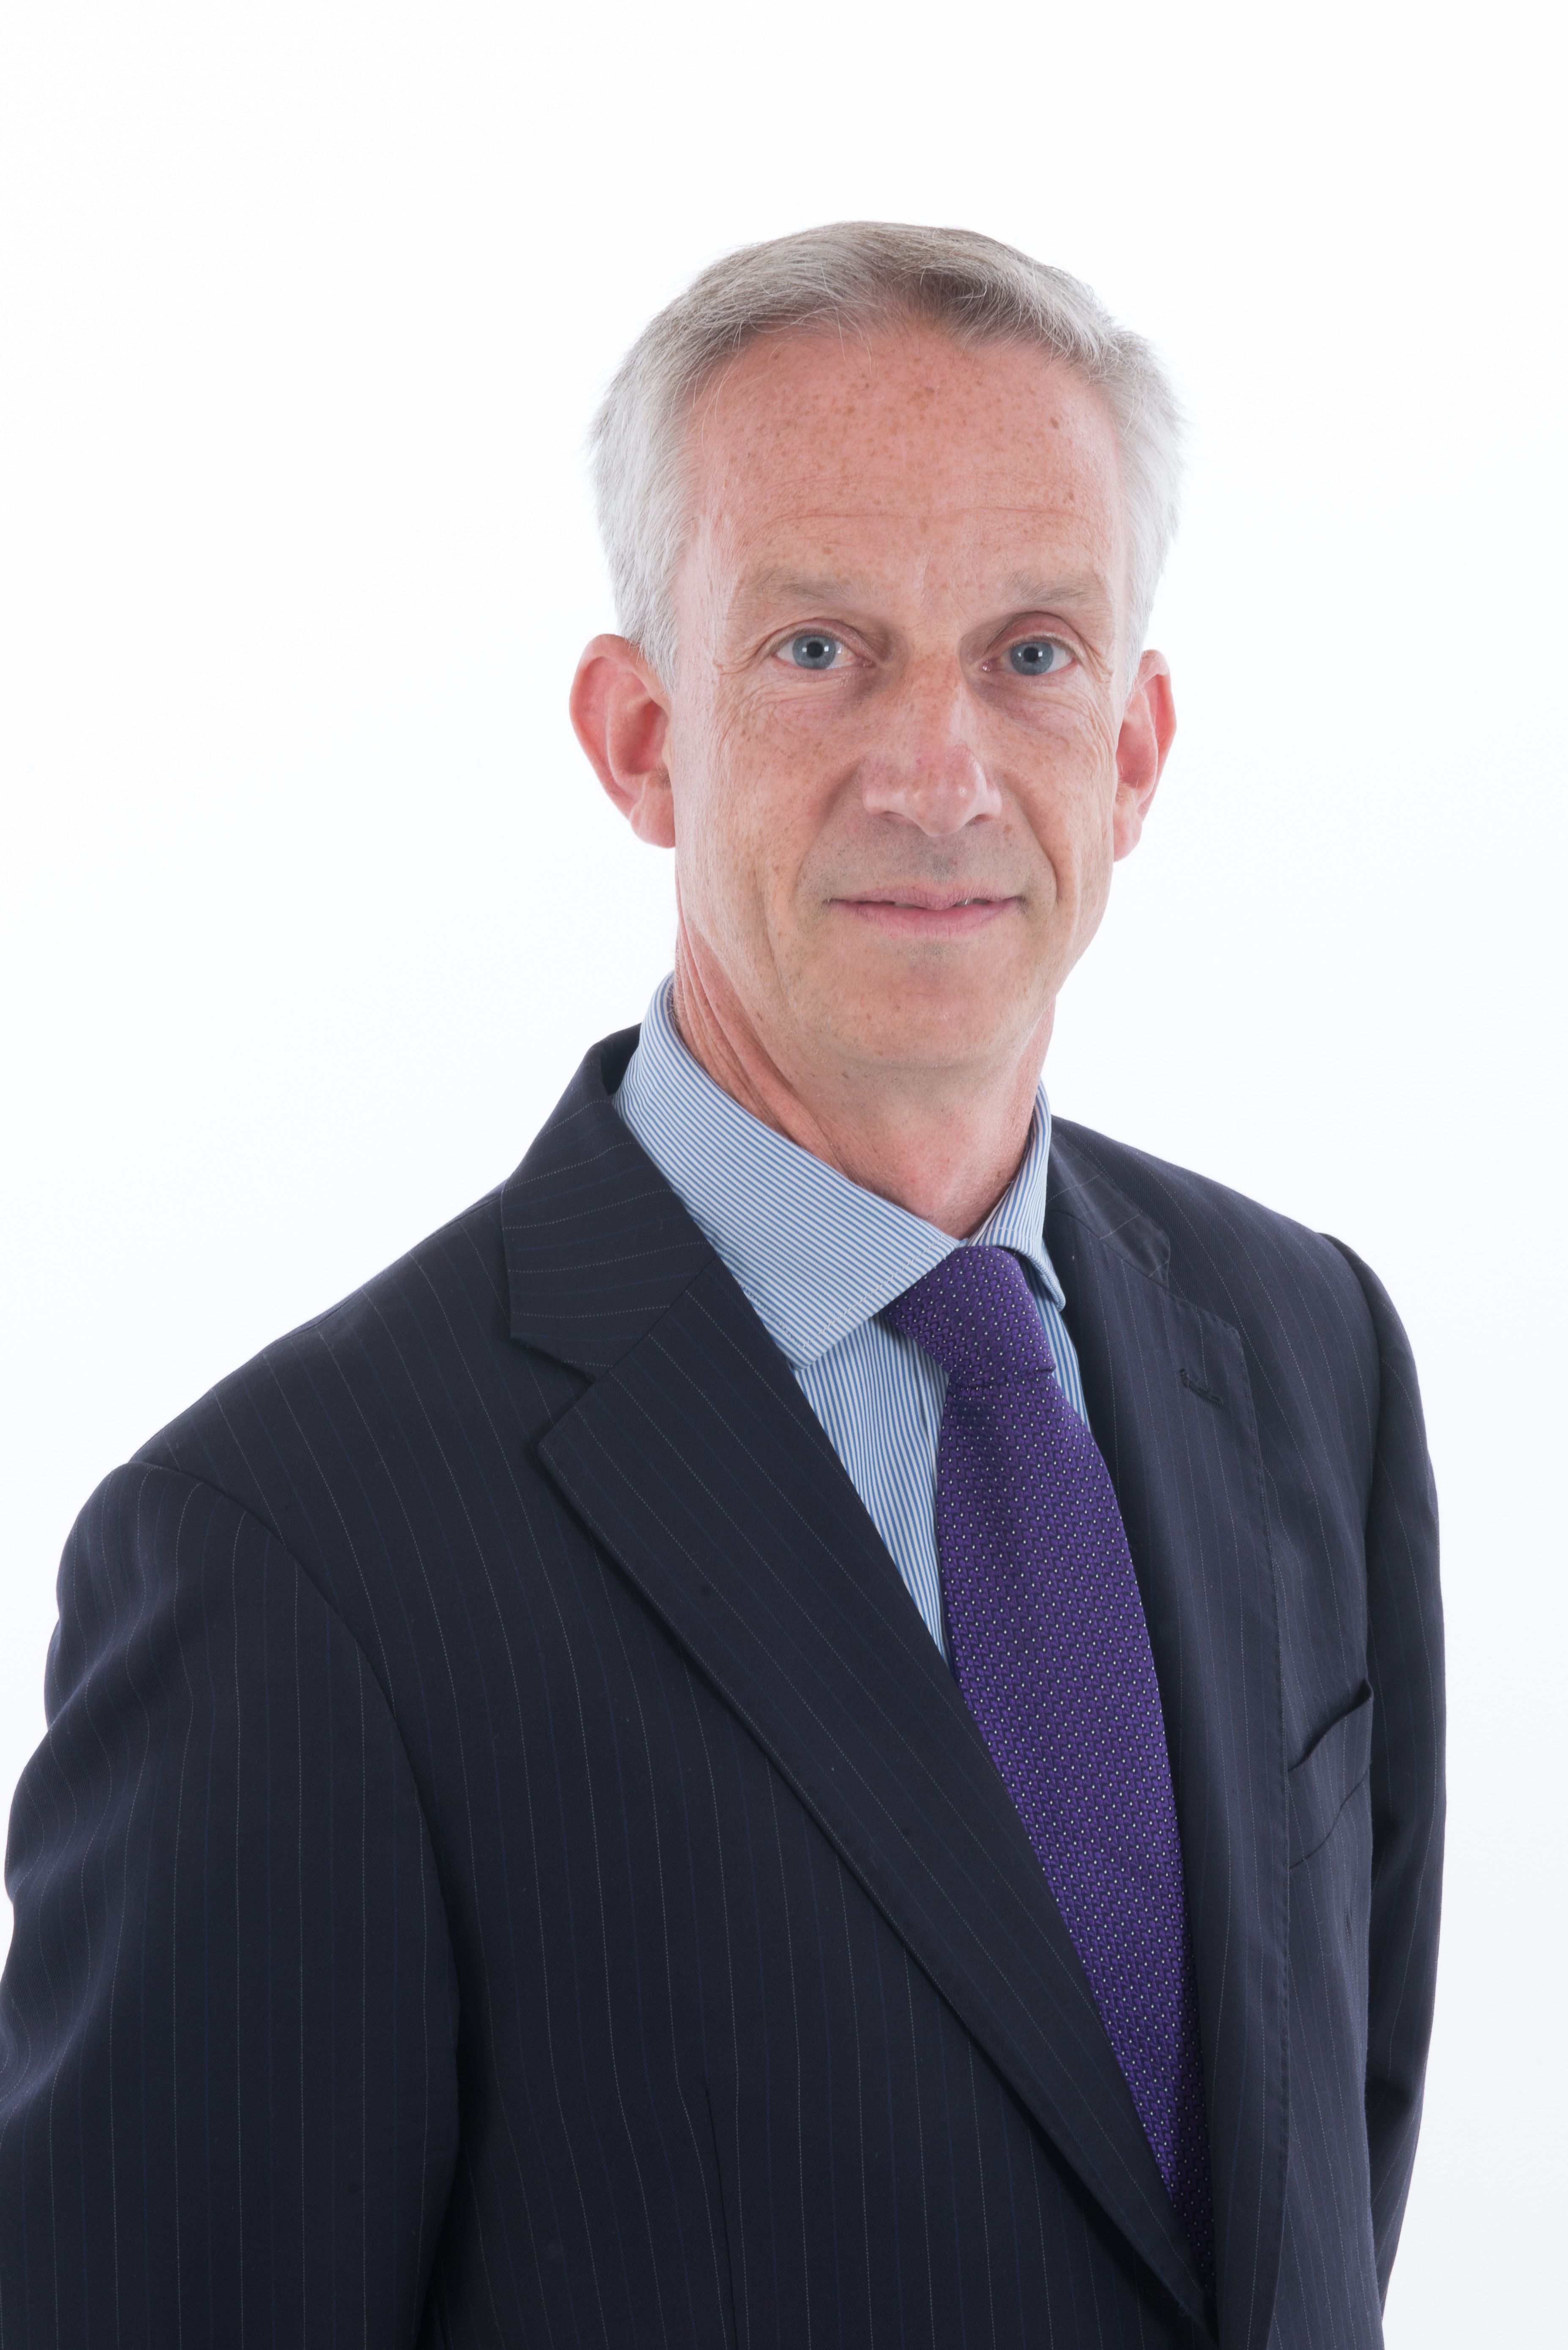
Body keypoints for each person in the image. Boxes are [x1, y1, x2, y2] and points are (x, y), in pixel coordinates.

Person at [0, 223, 1443, 2350]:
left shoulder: (1306, 1351)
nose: (938, 770)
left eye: (1030, 654)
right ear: (636, 734)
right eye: (820, 653)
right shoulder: (291, 1561)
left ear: (1134, 750)